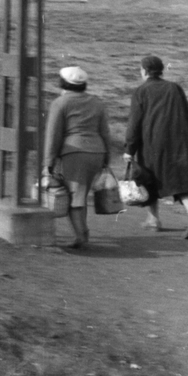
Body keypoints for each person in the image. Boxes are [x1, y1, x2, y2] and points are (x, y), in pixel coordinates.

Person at [123, 54, 188, 239]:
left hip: (152, 144)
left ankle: (153, 219)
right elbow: (187, 116)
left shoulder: (141, 91)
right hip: (179, 143)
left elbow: (134, 123)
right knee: (180, 180)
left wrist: (129, 149)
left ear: (144, 71)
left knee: (149, 177)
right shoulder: (175, 88)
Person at [42, 65, 112, 250]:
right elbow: (105, 132)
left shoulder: (60, 103)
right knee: (81, 194)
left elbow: (53, 134)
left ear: (62, 83)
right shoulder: (97, 102)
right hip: (97, 152)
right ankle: (83, 230)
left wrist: (48, 162)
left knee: (75, 197)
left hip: (74, 154)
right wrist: (107, 158)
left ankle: (81, 235)